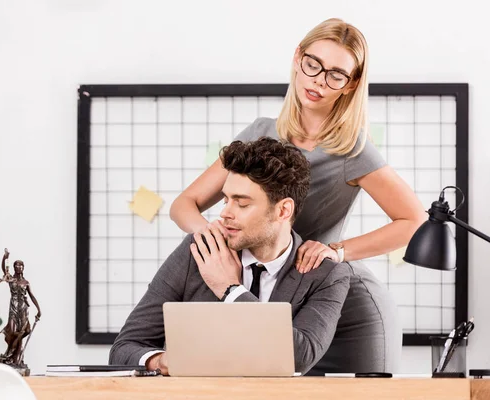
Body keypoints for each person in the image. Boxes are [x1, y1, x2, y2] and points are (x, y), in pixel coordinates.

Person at [169, 18, 427, 374]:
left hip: (341, 305)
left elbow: (414, 221)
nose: (319, 80)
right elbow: (184, 205)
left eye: (336, 74)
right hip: (275, 300)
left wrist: (338, 251)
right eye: (313, 64)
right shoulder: (260, 134)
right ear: (297, 58)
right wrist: (213, 241)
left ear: (351, 84)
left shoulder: (352, 150)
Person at [110, 137, 351, 375]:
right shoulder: (199, 250)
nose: (224, 213)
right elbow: (123, 349)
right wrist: (159, 361)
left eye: (242, 204)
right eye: (226, 200)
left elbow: (299, 357)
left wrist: (231, 290)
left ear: (283, 210)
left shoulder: (326, 275)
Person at [0, 248, 41, 369]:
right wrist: (5, 257)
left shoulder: (26, 282)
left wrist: (38, 309)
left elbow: (32, 296)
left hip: (23, 308)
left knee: (23, 331)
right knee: (13, 331)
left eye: (21, 266)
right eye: (17, 265)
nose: (19, 267)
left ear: (23, 268)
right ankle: (11, 353)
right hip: (13, 307)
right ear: (14, 268)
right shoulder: (11, 279)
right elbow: (4, 269)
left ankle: (15, 358)